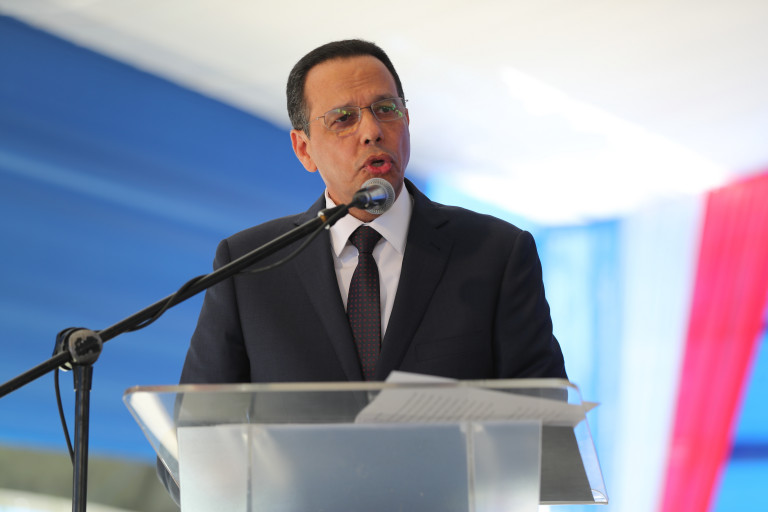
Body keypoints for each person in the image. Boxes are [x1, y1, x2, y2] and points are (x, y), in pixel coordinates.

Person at [178, 39, 566, 385]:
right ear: (304, 149)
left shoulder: (496, 253)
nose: (372, 131)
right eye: (343, 118)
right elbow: (198, 428)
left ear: (406, 121)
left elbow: (545, 420)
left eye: (386, 109)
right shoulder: (248, 265)